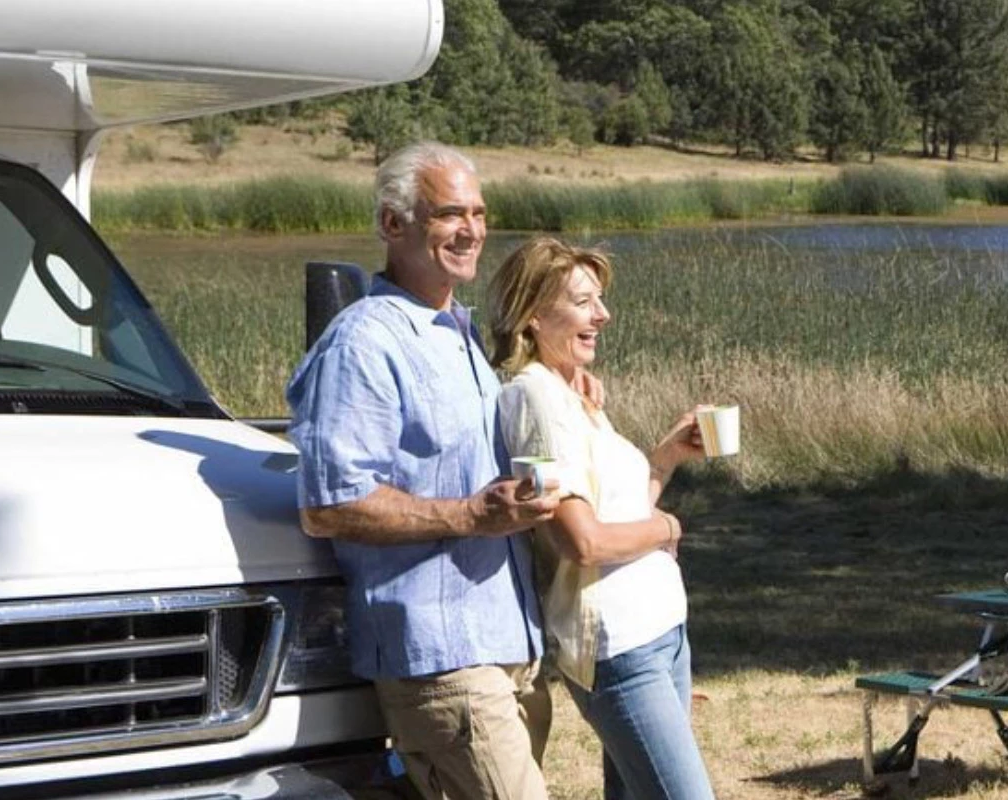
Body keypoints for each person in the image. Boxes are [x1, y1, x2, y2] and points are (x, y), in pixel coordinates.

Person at [286, 142, 562, 800]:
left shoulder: (456, 333)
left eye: (479, 213)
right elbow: (330, 504)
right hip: (443, 662)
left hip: (510, 648)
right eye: (449, 215)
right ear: (393, 224)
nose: (472, 230)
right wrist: (469, 514)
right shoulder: (363, 342)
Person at [488, 236, 716, 800]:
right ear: (535, 315)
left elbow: (616, 511)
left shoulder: (575, 396)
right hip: (619, 649)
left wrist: (664, 457)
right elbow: (582, 541)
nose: (603, 314)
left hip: (663, 633)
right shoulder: (534, 398)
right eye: (584, 302)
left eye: (600, 299)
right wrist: (669, 528)